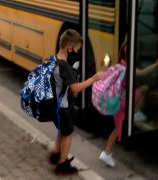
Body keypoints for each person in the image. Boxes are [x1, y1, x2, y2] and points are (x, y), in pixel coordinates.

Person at [99, 34, 158, 167]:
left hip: (116, 100)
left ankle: (106, 154)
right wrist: (157, 64)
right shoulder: (127, 67)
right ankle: (136, 113)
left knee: (116, 129)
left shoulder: (119, 65)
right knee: (145, 89)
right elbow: (144, 72)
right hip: (123, 101)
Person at [49, 29, 104, 176]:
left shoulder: (54, 59)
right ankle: (62, 164)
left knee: (62, 129)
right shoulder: (65, 67)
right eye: (78, 49)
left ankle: (55, 152)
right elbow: (75, 89)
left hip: (55, 105)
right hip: (64, 106)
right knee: (68, 134)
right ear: (69, 48)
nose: (78, 52)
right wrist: (95, 78)